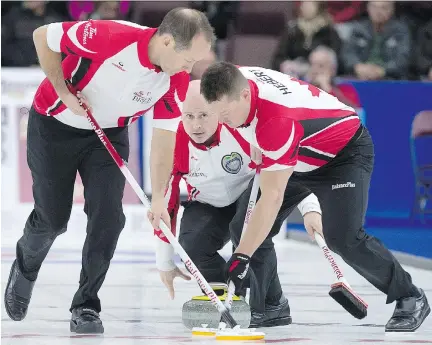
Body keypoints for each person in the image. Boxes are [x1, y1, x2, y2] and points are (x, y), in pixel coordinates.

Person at [4, 8, 214, 334]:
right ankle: (26, 266)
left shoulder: (176, 78)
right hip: (54, 126)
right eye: (189, 60)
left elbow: (163, 140)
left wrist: (159, 197)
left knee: (109, 219)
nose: (190, 69)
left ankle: (86, 304)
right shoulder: (111, 36)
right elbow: (42, 36)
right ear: (169, 41)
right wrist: (62, 89)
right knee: (53, 220)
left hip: (108, 137)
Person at [199, 62, 430, 333]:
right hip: (297, 152)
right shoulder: (233, 78)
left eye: (225, 114)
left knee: (343, 238)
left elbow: (272, 197)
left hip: (342, 155)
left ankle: (410, 296)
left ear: (245, 96)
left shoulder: (276, 121)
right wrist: (251, 139)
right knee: (244, 228)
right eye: (216, 114)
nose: (222, 121)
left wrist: (241, 258)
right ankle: (272, 305)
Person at [153, 81, 323, 328]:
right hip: (207, 203)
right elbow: (165, 207)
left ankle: (271, 303)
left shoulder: (242, 130)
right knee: (192, 243)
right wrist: (165, 263)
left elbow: (287, 169)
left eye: (203, 115)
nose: (196, 125)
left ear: (217, 112)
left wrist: (310, 208)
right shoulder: (174, 143)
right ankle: (229, 296)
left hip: (248, 194)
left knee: (246, 233)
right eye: (189, 116)